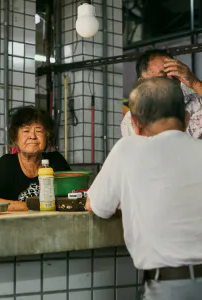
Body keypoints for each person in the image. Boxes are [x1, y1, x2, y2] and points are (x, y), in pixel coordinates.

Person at [86, 77, 202, 300]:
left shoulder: (128, 149)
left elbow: (97, 205)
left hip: (170, 288)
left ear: (136, 124)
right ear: (187, 118)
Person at [0, 106, 70, 211]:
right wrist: (29, 206)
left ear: (47, 136)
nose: (32, 136)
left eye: (39, 131)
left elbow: (73, 195)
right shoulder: (6, 164)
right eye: (26, 131)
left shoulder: (56, 161)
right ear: (15, 138)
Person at [121, 48, 202, 138]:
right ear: (143, 83)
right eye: (163, 77)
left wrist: (194, 83)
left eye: (175, 76)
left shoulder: (196, 104)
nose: (171, 81)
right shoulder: (132, 119)